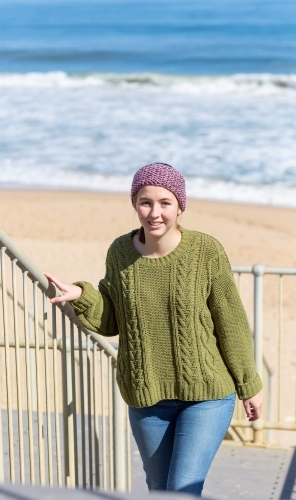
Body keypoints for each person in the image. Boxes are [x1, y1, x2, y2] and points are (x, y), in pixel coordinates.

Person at [44, 162, 263, 496]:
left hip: (207, 396)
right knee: (159, 489)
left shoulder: (206, 251)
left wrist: (249, 385)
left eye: (165, 203)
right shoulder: (119, 252)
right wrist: (83, 297)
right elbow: (113, 321)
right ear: (135, 204)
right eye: (146, 202)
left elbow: (230, 322)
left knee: (182, 490)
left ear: (180, 206)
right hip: (146, 396)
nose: (155, 213)